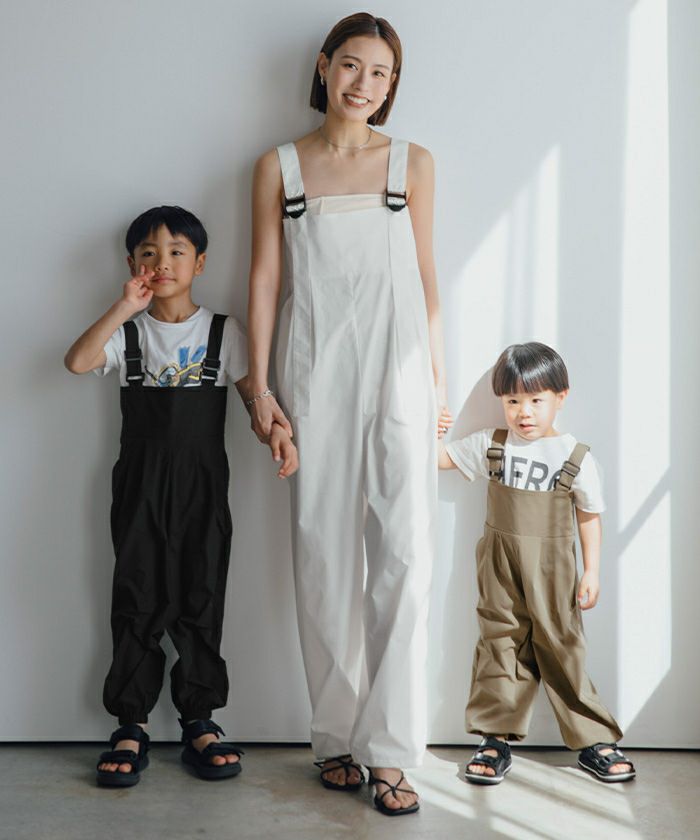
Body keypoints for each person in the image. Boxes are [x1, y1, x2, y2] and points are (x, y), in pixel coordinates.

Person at [246, 12, 452, 817]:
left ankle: (392, 751)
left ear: (393, 85)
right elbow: (266, 281)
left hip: (400, 374)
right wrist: (262, 392)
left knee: (405, 556)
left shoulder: (412, 162)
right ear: (324, 66)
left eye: (382, 72)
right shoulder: (279, 167)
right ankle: (335, 735)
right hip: (313, 372)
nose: (365, 84)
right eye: (353, 66)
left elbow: (426, 275)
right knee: (323, 554)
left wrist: (438, 382)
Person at [65, 205, 297, 787]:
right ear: (132, 265)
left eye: (176, 252)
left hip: (203, 485)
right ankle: (131, 723)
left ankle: (200, 719)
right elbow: (77, 362)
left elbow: (255, 399)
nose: (162, 262)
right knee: (137, 595)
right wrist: (124, 307)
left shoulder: (224, 332)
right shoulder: (129, 333)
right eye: (149, 253)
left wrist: (277, 433)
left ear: (200, 262)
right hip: (139, 484)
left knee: (202, 593)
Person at [439, 342, 636, 785]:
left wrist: (592, 570)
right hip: (500, 566)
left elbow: (589, 516)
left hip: (554, 569)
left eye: (535, 400)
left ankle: (592, 739)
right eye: (512, 401)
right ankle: (494, 739)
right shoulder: (492, 444)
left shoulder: (574, 455)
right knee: (500, 642)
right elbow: (440, 459)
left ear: (560, 397)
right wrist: (426, 423)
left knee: (562, 644)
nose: (523, 412)